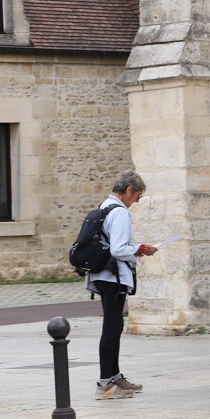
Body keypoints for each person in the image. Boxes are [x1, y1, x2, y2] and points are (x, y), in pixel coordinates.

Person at [87, 171, 157, 399]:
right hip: (113, 277)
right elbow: (118, 249)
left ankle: (115, 377)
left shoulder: (104, 206)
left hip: (103, 275)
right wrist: (140, 248)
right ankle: (105, 385)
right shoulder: (118, 212)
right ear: (128, 190)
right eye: (138, 195)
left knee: (115, 326)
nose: (138, 200)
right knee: (111, 327)